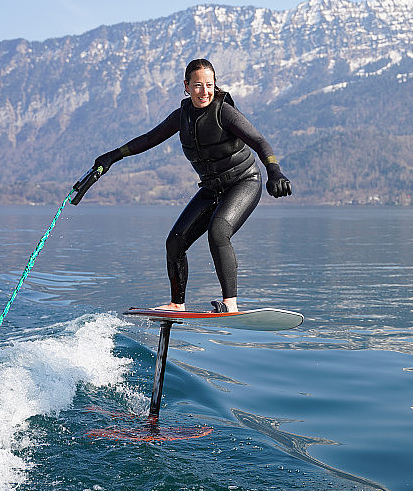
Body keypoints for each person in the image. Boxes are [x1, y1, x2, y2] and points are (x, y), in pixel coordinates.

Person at [89, 58, 292, 313]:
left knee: (218, 232)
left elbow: (260, 141)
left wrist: (274, 171)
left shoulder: (224, 112)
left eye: (209, 85)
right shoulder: (181, 117)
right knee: (175, 241)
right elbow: (150, 138)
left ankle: (230, 304)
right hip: (211, 188)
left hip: (243, 182)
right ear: (186, 86)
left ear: (215, 85)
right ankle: (177, 303)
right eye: (197, 85)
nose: (204, 91)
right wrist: (112, 156)